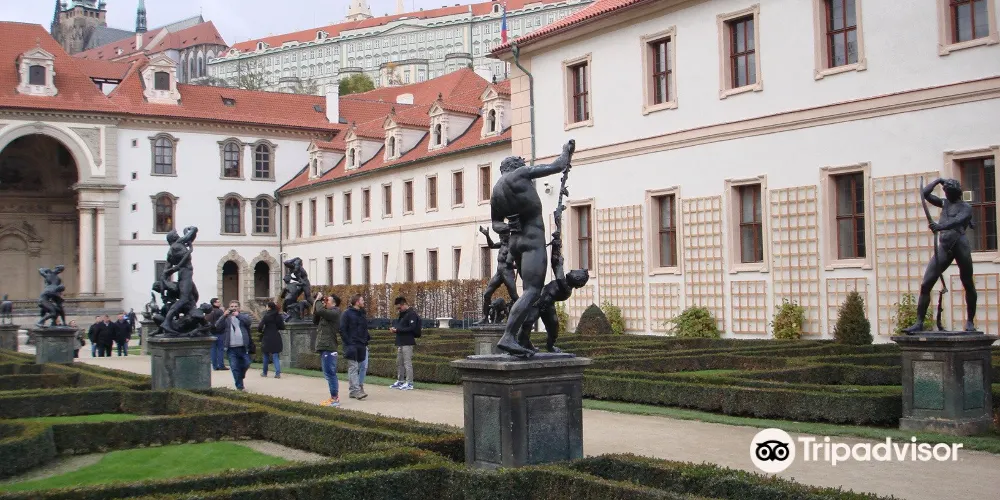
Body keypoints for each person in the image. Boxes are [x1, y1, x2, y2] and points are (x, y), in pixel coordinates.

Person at [490, 140, 575, 356]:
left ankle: (523, 338)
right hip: (532, 239)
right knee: (533, 291)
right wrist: (566, 151)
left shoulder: (496, 191)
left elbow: (496, 224)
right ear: (515, 165)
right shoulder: (520, 174)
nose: (524, 164)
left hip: (515, 243)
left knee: (530, 293)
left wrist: (509, 226)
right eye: (521, 162)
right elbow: (557, 165)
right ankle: (508, 336)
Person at [904, 177, 978, 333]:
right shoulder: (944, 203)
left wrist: (939, 226)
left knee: (967, 283)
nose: (946, 195)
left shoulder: (966, 207)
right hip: (944, 246)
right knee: (926, 284)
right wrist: (938, 181)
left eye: (949, 193)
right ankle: (919, 322)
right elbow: (924, 194)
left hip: (960, 245)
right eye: (945, 192)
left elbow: (957, 221)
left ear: (956, 193)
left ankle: (970, 321)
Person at [478, 226, 519, 323]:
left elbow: (513, 262)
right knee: (487, 294)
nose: (500, 238)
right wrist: (487, 235)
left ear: (507, 236)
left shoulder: (512, 247)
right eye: (500, 237)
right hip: (499, 273)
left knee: (514, 296)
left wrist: (516, 266)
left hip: (508, 273)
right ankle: (485, 318)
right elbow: (491, 245)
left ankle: (522, 317)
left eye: (502, 236)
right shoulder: (502, 244)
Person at [313, 292, 342, 407]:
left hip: (329, 347)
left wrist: (318, 300)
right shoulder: (326, 313)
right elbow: (315, 318)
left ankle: (335, 398)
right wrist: (316, 302)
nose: (325, 302)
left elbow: (320, 311)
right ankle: (333, 397)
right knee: (328, 373)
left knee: (330, 373)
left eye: (327, 301)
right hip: (325, 346)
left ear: (334, 304)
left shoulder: (335, 312)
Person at [216, 300, 252, 391]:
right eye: (232, 306)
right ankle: (240, 387)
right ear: (229, 308)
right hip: (231, 348)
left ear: (239, 308)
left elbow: (248, 322)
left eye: (235, 306)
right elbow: (217, 326)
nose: (233, 308)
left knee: (247, 363)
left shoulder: (243, 316)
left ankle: (240, 376)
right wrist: (223, 316)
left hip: (243, 347)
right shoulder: (226, 318)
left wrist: (238, 315)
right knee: (234, 367)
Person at [340, 294, 370, 400]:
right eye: (362, 300)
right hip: (352, 344)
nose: (363, 301)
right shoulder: (346, 313)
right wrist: (349, 342)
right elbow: (342, 329)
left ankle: (354, 390)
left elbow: (364, 328)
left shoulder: (362, 313)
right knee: (353, 367)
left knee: (362, 366)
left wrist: (366, 339)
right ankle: (356, 391)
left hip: (361, 344)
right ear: (357, 302)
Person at [390, 297, 420, 391]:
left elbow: (411, 328)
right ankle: (400, 381)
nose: (398, 310)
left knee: (407, 363)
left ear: (404, 304)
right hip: (401, 341)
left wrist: (398, 330)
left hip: (408, 341)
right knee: (399, 362)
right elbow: (401, 326)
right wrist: (395, 329)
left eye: (399, 308)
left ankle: (409, 383)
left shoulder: (412, 314)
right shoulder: (402, 315)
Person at [258, 301, 284, 378]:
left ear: (269, 307)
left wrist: (261, 331)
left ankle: (264, 372)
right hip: (275, 336)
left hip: (267, 336)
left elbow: (260, 326)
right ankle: (277, 373)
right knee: (275, 355)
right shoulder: (278, 316)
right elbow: (282, 327)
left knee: (266, 355)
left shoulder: (266, 316)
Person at [205, 298, 226, 370]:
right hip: (219, 332)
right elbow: (223, 321)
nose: (219, 303)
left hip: (211, 332)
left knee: (213, 349)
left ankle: (214, 366)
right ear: (214, 303)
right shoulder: (219, 311)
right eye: (218, 302)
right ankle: (221, 365)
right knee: (220, 349)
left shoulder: (208, 312)